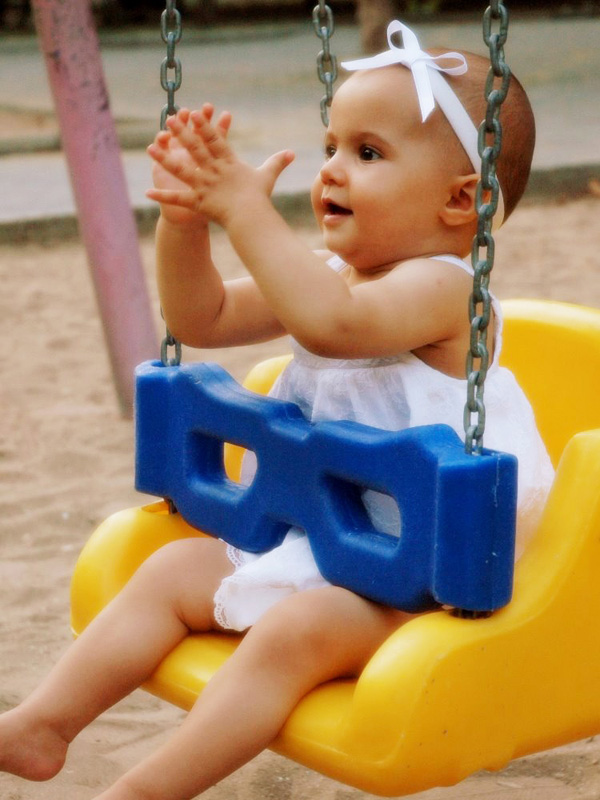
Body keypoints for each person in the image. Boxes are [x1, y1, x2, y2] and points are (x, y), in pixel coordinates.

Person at [0, 22, 553, 800]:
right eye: (331, 145)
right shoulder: (330, 274)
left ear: (462, 200)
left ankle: (142, 791)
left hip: (423, 579)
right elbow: (203, 317)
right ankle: (41, 726)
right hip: (318, 541)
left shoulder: (447, 291)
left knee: (296, 631)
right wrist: (187, 225)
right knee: (168, 571)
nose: (332, 168)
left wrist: (243, 211)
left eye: (367, 153)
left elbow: (332, 324)